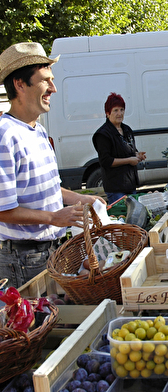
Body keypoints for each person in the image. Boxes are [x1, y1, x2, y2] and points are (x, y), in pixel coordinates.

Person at [0, 42, 106, 288]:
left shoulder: (38, 131)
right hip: (24, 259)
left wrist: (82, 199)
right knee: (34, 325)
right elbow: (3, 209)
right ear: (19, 84)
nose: (53, 88)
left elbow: (49, 189)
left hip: (52, 251)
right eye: (45, 80)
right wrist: (53, 218)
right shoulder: (5, 135)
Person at [92, 93, 146, 205]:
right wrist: (129, 160)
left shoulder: (126, 129)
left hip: (130, 184)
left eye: (122, 110)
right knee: (122, 219)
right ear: (107, 113)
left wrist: (137, 155)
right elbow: (106, 161)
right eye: (115, 110)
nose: (119, 113)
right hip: (116, 188)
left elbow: (129, 151)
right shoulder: (102, 134)